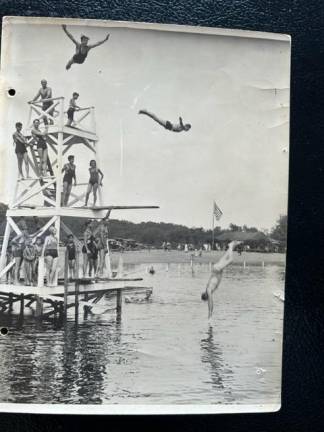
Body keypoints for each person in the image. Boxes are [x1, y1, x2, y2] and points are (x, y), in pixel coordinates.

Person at [201, 240, 242, 320]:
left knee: (230, 260)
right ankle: (233, 245)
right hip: (217, 269)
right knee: (226, 255)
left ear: (206, 296)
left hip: (217, 270)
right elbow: (210, 301)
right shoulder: (210, 290)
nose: (209, 298)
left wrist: (210, 312)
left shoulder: (209, 290)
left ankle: (231, 246)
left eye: (207, 298)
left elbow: (211, 302)